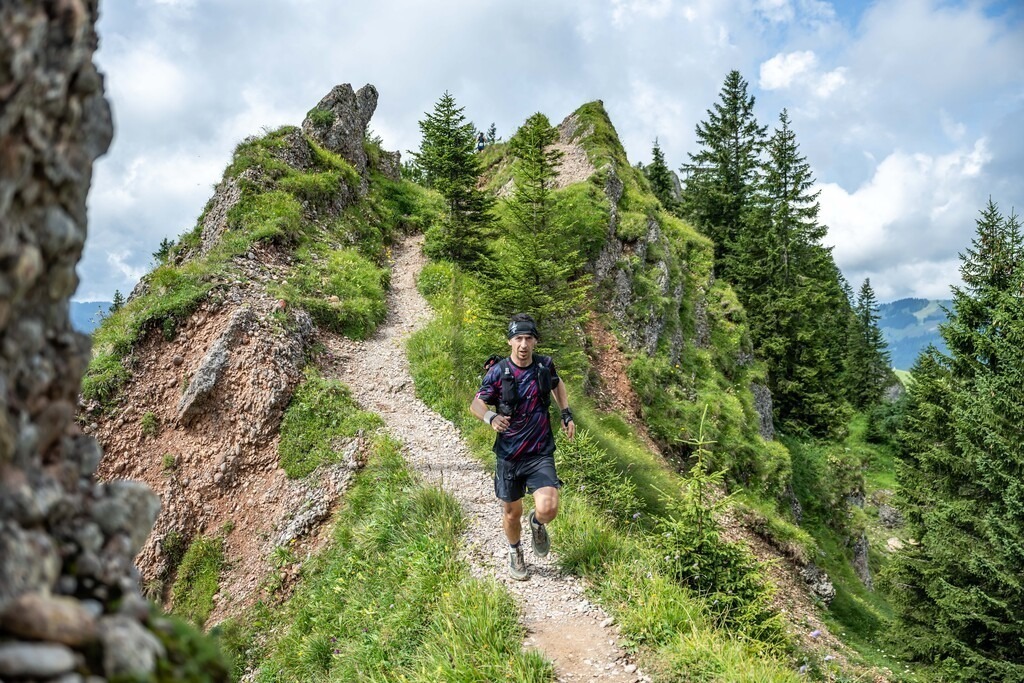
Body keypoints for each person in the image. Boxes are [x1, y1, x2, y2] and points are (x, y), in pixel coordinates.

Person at [470, 313, 576, 580]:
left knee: (549, 507)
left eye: (529, 338)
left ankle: (538, 524)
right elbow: (476, 404)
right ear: (510, 341)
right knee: (511, 512)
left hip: (539, 452)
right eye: (518, 338)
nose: (524, 344)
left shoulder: (544, 366)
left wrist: (566, 413)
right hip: (508, 455)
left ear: (535, 342)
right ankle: (515, 551)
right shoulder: (498, 372)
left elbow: (557, 383)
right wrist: (490, 417)